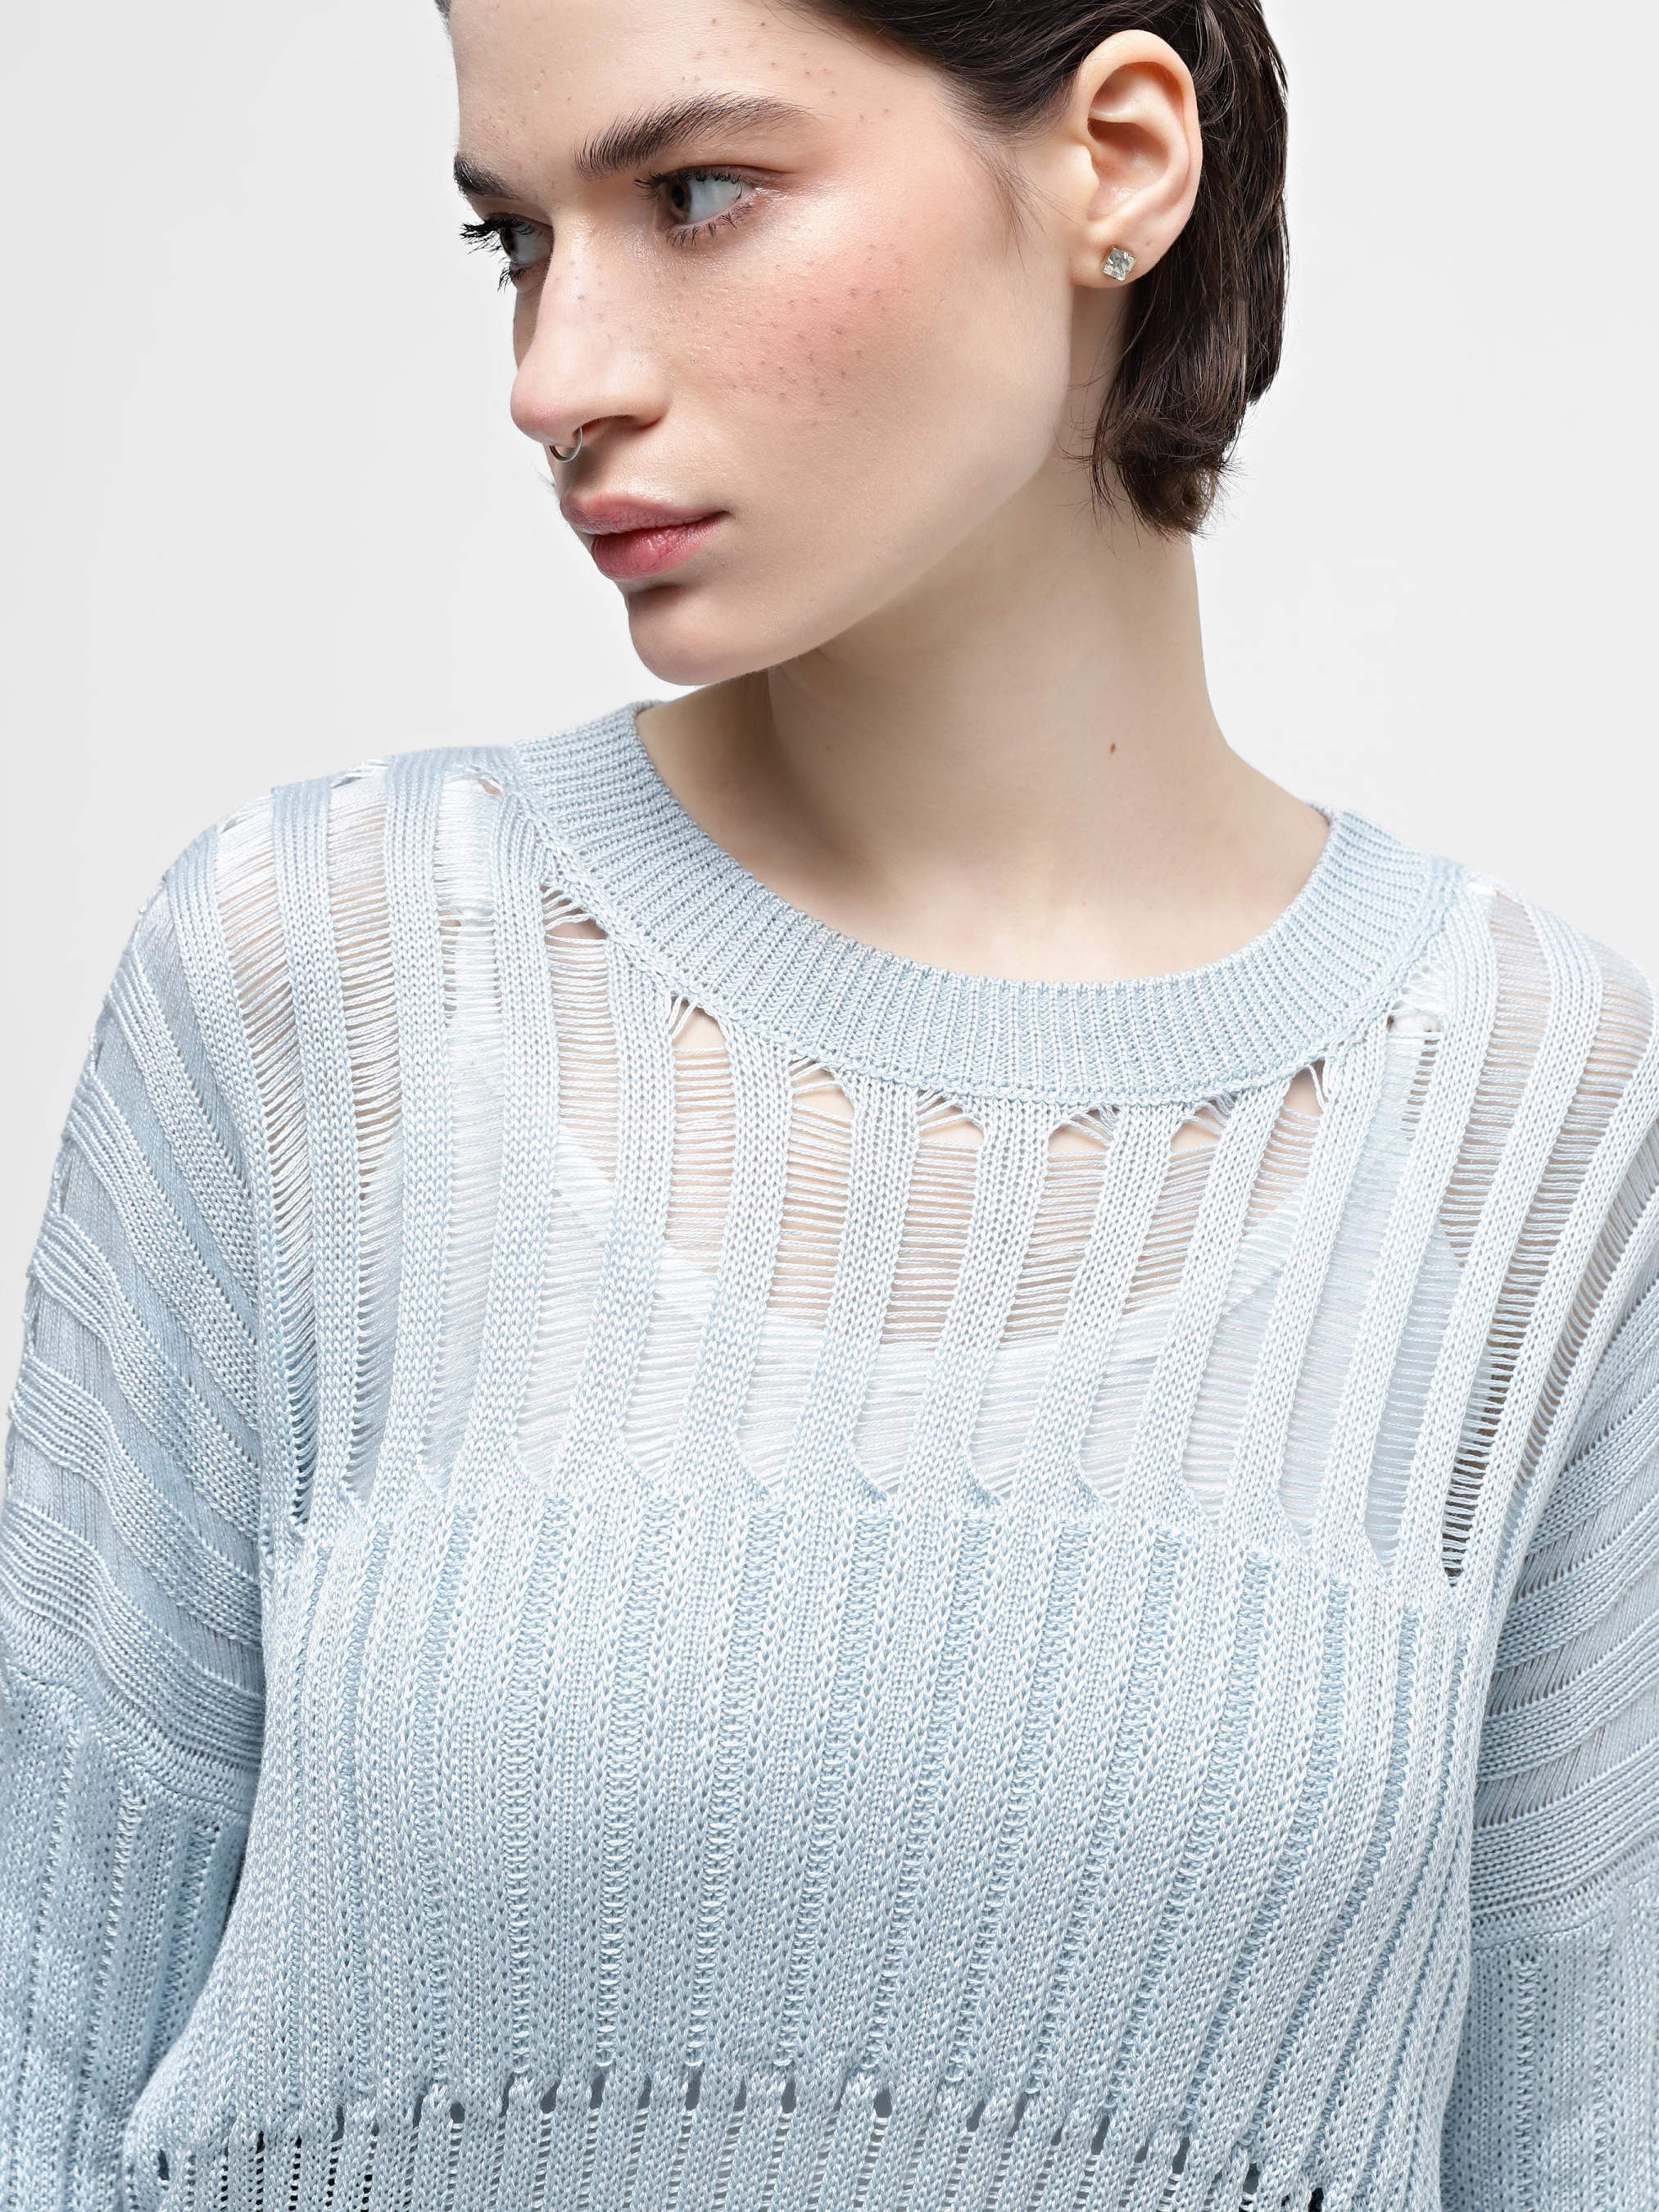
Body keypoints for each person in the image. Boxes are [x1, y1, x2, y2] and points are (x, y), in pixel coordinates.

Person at [2, 0, 1655, 2205]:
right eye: (516, 240)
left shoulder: (1533, 1132)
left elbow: (1583, 2133)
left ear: (1118, 160)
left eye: (695, 194)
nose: (552, 377)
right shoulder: (314, 986)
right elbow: (39, 2069)